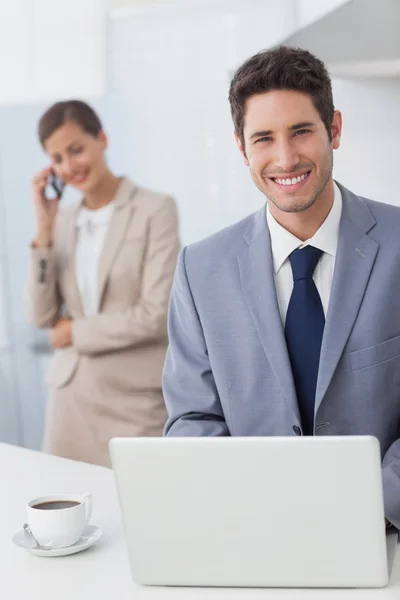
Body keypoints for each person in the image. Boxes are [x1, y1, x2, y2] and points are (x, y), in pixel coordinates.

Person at [163, 45, 400, 529]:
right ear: (241, 146)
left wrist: (365, 511)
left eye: (301, 131)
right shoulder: (199, 268)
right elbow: (192, 421)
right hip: (254, 531)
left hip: (384, 533)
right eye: (264, 138)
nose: (285, 157)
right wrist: (255, 509)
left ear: (334, 129)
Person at [25, 100, 180, 467]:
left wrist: (75, 332)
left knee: (142, 512)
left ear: (102, 138)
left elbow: (155, 314)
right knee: (68, 515)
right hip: (71, 405)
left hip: (135, 404)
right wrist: (44, 228)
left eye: (76, 149)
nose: (69, 166)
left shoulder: (155, 210)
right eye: (58, 159)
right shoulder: (61, 221)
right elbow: (39, 313)